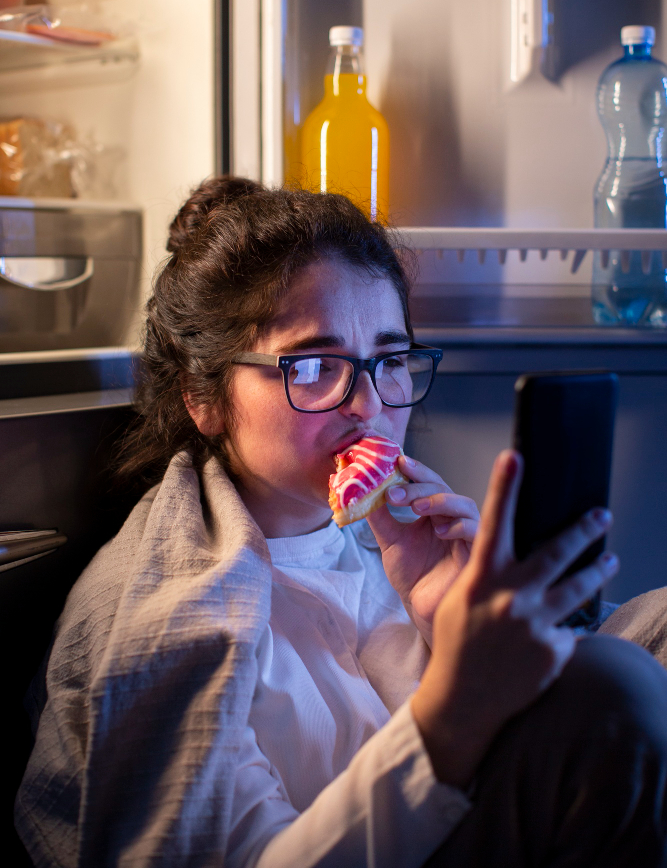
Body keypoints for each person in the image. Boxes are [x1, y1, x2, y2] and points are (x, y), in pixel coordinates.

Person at [15, 177, 667, 868]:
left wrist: (447, 631)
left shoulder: (400, 543)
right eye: (316, 365)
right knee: (603, 683)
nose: (367, 405)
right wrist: (456, 704)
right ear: (201, 398)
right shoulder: (161, 623)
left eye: (387, 360)